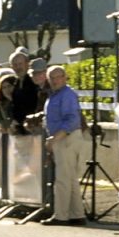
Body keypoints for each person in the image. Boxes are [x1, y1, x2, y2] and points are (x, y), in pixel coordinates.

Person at [41, 64, 87, 226]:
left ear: (65, 77)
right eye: (52, 78)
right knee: (70, 178)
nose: (55, 80)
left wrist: (55, 138)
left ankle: (61, 215)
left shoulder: (66, 95)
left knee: (62, 179)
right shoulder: (55, 95)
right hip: (63, 138)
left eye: (58, 77)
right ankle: (77, 214)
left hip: (66, 138)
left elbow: (72, 120)